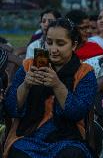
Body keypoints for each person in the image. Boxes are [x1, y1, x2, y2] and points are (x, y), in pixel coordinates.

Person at [4, 18, 97, 158]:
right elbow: (11, 108)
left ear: (73, 45)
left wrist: (57, 84)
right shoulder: (29, 65)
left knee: (71, 154)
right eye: (49, 42)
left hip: (68, 138)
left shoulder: (85, 72)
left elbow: (77, 112)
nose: (53, 49)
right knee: (19, 152)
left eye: (60, 44)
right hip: (29, 135)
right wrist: (26, 85)